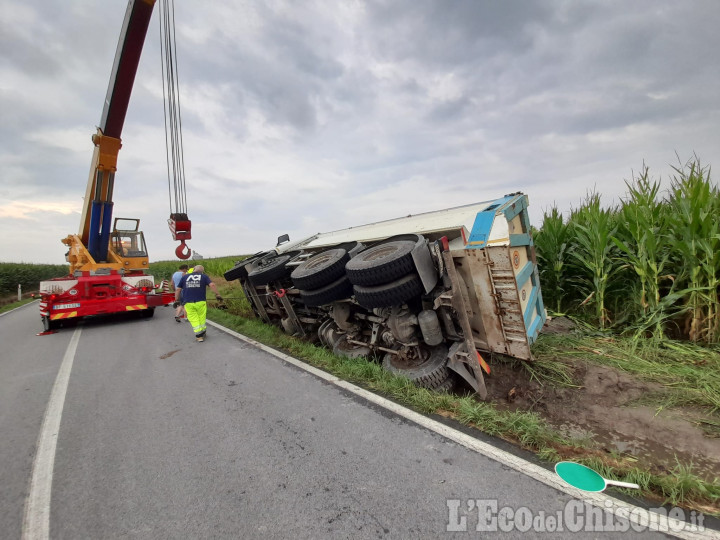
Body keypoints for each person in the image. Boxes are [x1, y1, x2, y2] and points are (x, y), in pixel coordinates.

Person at [175, 265, 222, 342]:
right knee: (201, 316)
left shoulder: (185, 277)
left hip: (188, 302)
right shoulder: (204, 276)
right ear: (202, 271)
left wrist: (176, 299)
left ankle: (199, 336)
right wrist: (217, 294)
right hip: (201, 301)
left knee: (193, 318)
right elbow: (212, 285)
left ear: (193, 269)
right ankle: (203, 331)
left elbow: (178, 289)